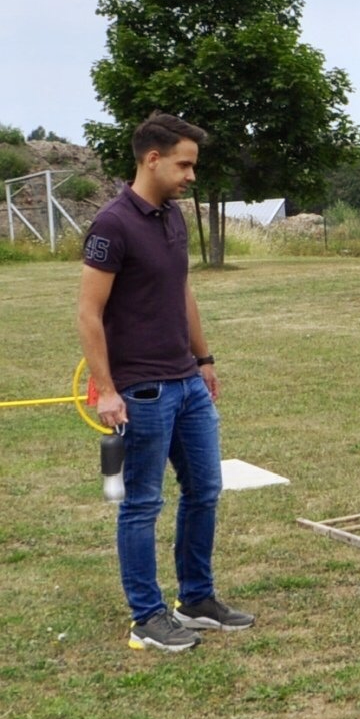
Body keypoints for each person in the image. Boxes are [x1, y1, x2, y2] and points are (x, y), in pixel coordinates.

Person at [77, 113, 254, 652]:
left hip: (187, 382)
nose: (191, 175)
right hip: (142, 390)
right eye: (184, 164)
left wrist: (204, 358)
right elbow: (89, 312)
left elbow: (182, 291)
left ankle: (195, 599)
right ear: (152, 159)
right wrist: (107, 390)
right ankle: (147, 616)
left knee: (205, 490)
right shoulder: (112, 225)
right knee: (142, 504)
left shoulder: (173, 217)